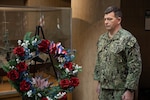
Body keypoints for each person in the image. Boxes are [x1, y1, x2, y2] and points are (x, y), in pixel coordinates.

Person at [94, 6, 142, 100]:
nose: (106, 22)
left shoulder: (127, 39)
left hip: (121, 89)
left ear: (118, 20)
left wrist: (130, 89)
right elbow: (99, 62)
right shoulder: (102, 39)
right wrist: (99, 82)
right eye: (105, 19)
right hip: (104, 89)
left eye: (109, 19)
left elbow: (135, 66)